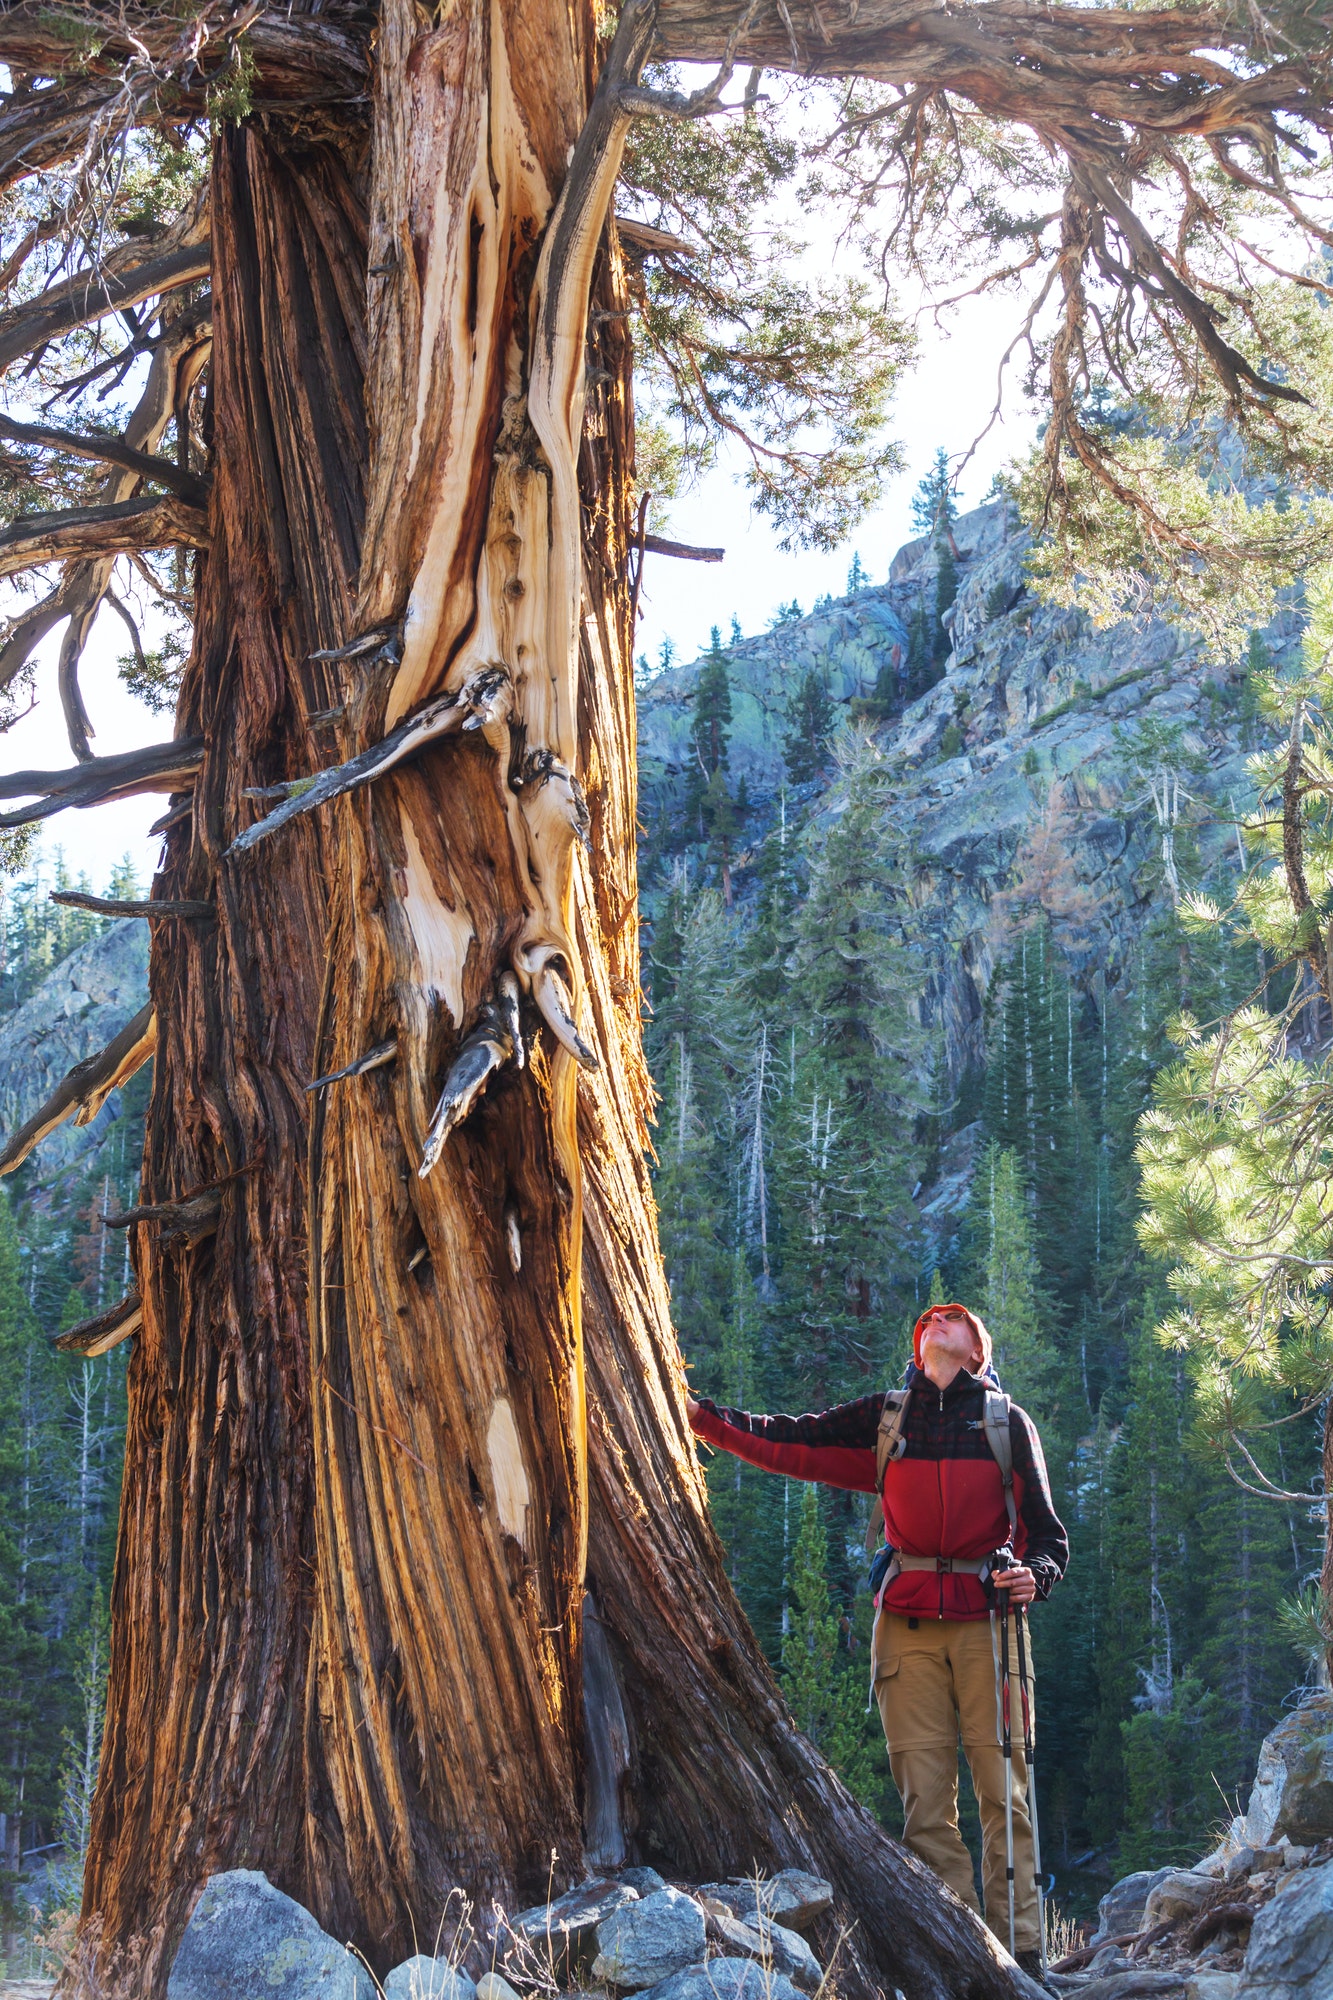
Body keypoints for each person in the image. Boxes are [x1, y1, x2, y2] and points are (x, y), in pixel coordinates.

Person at [687, 1302, 1068, 1981]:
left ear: (977, 1349)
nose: (938, 1320)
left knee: (1002, 1794)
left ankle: (1024, 1963)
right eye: (929, 1319)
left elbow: (1048, 1534)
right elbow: (791, 1440)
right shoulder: (885, 1418)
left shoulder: (1005, 1422)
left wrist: (1034, 1577)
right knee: (925, 1804)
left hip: (990, 1627)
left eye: (955, 1318)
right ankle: (966, 1954)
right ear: (917, 1344)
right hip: (906, 1624)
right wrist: (703, 1420)